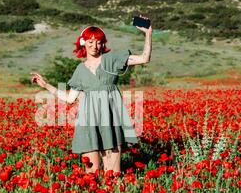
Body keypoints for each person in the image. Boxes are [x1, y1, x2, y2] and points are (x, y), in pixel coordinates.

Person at [31, 15, 152, 175]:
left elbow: (144, 58)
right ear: (83, 43)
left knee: (113, 175)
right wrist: (45, 84)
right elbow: (69, 99)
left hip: (110, 120)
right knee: (91, 175)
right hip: (88, 123)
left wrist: (148, 34)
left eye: (98, 42)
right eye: (90, 42)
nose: (95, 46)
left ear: (103, 44)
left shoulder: (112, 60)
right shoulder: (80, 70)